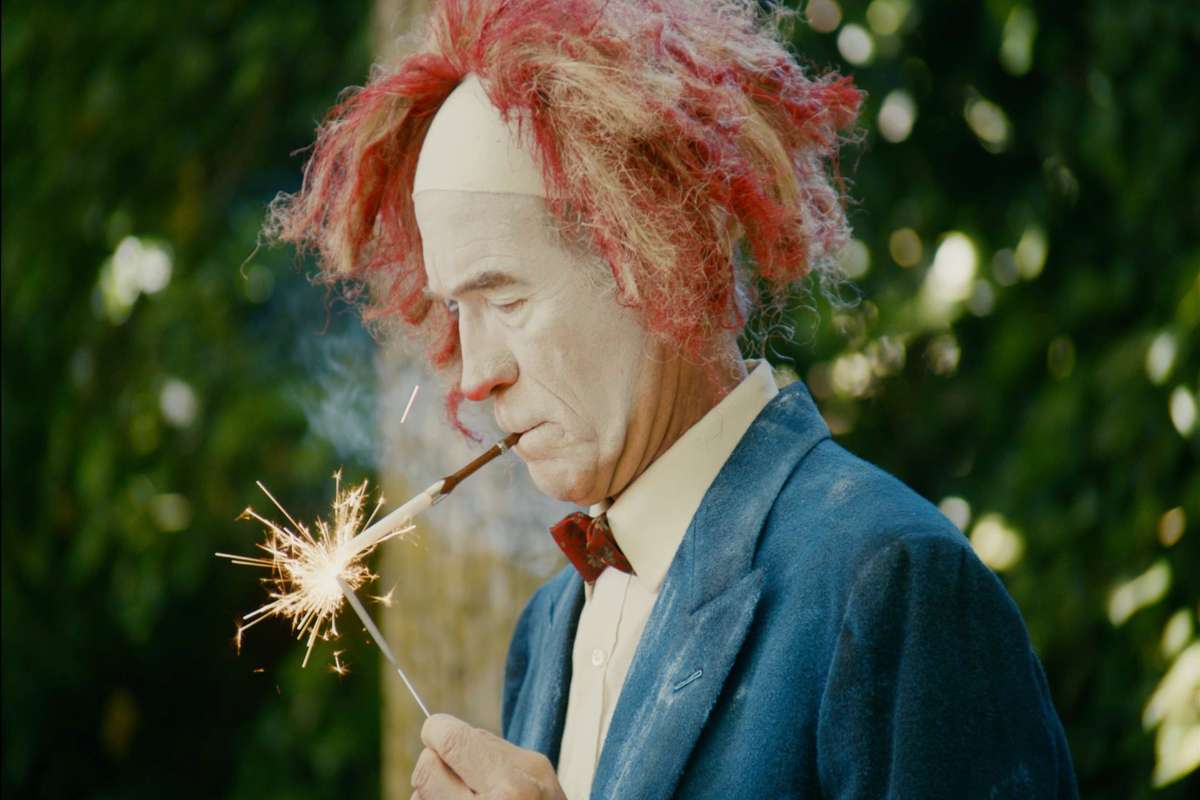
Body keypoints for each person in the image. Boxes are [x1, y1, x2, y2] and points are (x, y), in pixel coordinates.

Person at [269, 1, 1078, 797]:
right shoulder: (546, 631)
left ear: (665, 251)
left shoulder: (893, 580)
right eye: (456, 308)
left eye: (506, 299)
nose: (474, 375)